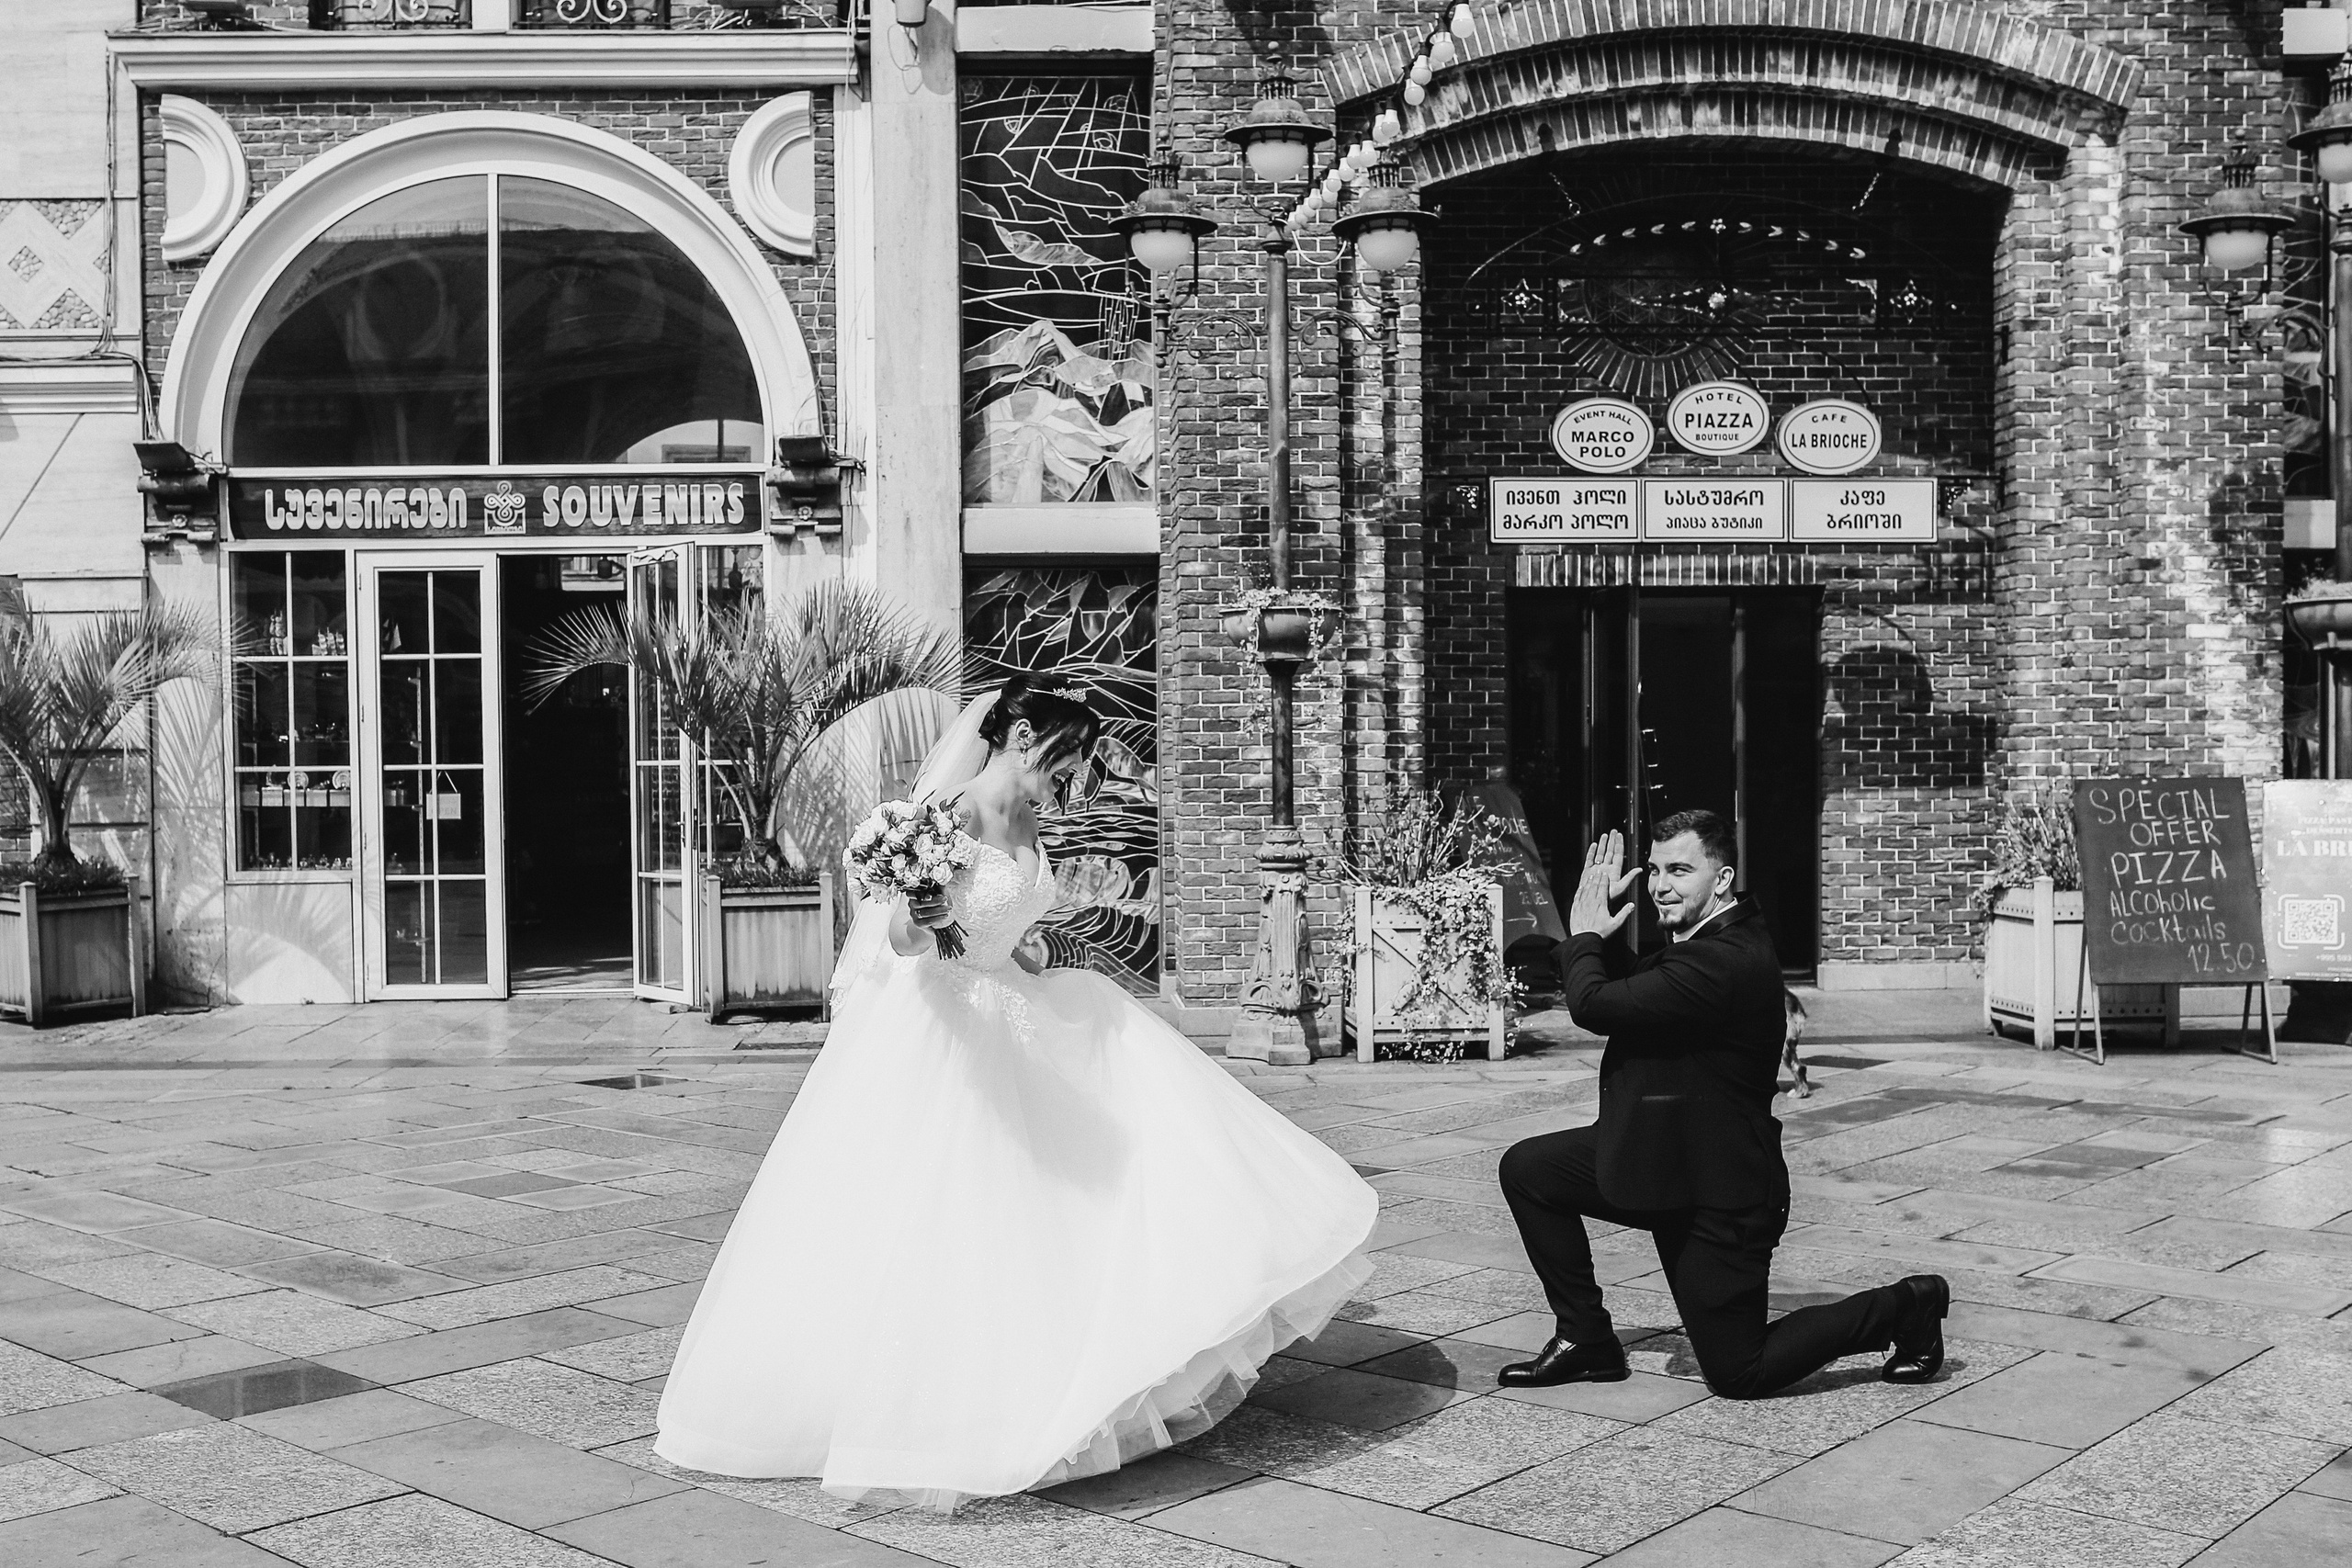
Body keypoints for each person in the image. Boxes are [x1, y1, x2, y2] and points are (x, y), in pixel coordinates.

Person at [655, 674, 1377, 1510]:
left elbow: (1007, 921)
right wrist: (922, 913)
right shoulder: (945, 815)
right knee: (960, 1208)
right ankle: (952, 1400)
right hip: (948, 1027)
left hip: (1014, 1000)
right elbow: (898, 936)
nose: (1065, 787)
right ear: (1024, 735)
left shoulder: (1031, 818)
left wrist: (1023, 952)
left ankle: (1094, 1353)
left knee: (1126, 1137)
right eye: (1062, 764)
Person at [1493, 809, 1949, 1399]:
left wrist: (1584, 937)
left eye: (1680, 870)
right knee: (1530, 1170)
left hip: (1718, 1191)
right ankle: (1586, 1339)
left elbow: (1597, 1007)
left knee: (1741, 1372)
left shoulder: (1726, 959)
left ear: (1722, 877)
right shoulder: (1707, 941)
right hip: (1661, 1158)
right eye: (1654, 869)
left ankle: (1906, 1307)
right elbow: (1640, 991)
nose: (1660, 885)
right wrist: (1582, 947)